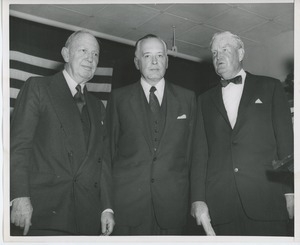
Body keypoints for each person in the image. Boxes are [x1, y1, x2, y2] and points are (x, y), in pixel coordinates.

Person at [10, 30, 115, 236]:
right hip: (44, 212)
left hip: (87, 216)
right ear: (66, 54)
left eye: (95, 54)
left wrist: (106, 208)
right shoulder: (38, 87)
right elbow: (19, 146)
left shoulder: (98, 106)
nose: (90, 58)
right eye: (83, 50)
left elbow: (101, 162)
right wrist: (19, 196)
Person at [190, 31, 294, 236]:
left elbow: (286, 143)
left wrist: (291, 191)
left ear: (241, 53)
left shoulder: (270, 87)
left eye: (225, 50)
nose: (218, 56)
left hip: (267, 199)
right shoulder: (203, 100)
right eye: (214, 53)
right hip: (221, 206)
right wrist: (198, 199)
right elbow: (199, 155)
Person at [106, 34, 196, 235]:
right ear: (137, 62)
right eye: (147, 56)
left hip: (172, 208)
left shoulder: (187, 98)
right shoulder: (119, 99)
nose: (154, 62)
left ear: (167, 60)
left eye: (160, 55)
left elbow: (191, 155)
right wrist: (107, 206)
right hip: (127, 208)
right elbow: (108, 154)